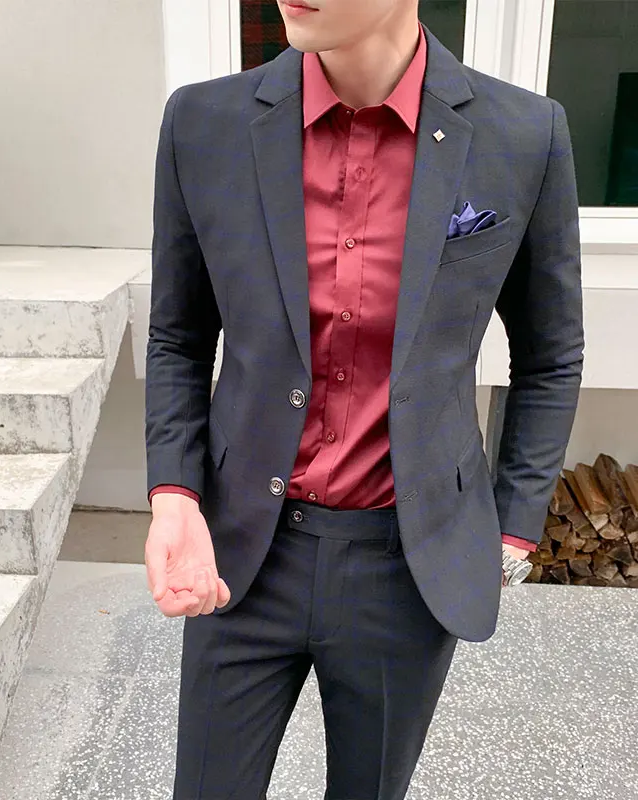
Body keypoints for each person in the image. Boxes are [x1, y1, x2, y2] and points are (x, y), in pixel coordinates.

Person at [144, 0, 584, 797]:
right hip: (241, 547)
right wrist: (175, 495)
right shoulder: (204, 125)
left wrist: (514, 528)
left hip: (405, 564)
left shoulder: (524, 134)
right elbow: (177, 336)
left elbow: (550, 356)